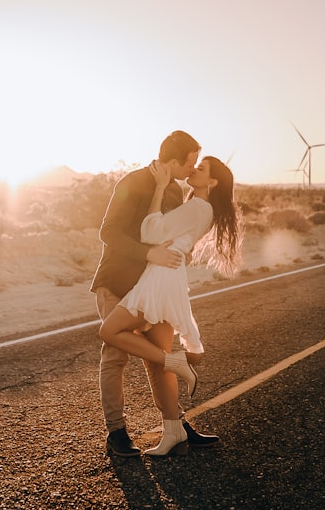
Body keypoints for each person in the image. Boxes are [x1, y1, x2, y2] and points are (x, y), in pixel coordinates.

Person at [99, 155, 241, 456]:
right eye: (192, 163)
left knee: (113, 334)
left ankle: (175, 376)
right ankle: (163, 432)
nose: (193, 169)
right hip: (147, 277)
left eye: (199, 168)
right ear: (174, 159)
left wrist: (161, 189)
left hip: (159, 278)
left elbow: (151, 231)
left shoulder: (191, 201)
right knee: (135, 354)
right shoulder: (182, 199)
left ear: (212, 182)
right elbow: (112, 232)